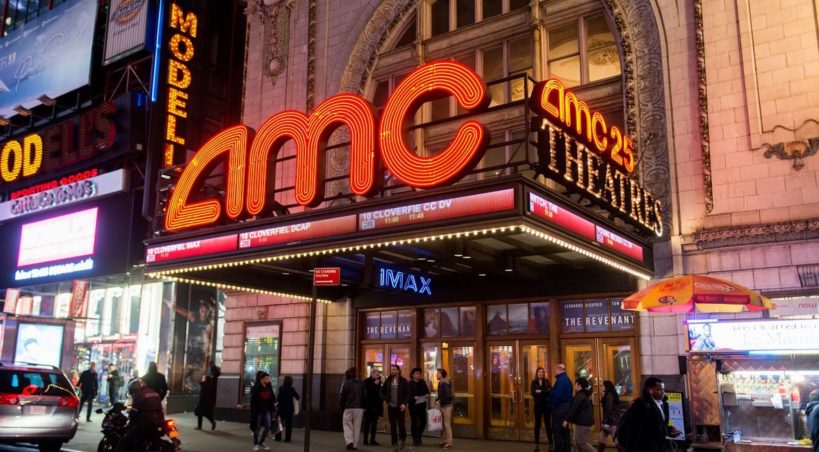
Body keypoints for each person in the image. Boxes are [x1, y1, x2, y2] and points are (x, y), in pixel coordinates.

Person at [617, 376, 679, 452]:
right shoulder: (642, 404)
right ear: (650, 390)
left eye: (663, 389)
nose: (663, 392)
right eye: (659, 389)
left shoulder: (662, 404)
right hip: (646, 448)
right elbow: (634, 430)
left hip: (659, 447)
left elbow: (656, 425)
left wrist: (669, 430)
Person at [113, 379, 165, 452]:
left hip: (145, 422)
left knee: (125, 439)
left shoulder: (139, 395)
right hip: (159, 421)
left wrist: (130, 418)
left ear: (134, 389)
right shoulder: (155, 393)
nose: (133, 394)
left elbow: (134, 411)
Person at [380, 364, 411, 450]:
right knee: (392, 425)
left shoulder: (403, 381)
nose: (392, 371)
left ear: (398, 371)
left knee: (401, 425)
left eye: (394, 369)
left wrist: (404, 404)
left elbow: (408, 394)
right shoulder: (388, 380)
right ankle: (394, 443)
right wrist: (385, 399)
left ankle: (403, 439)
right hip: (391, 406)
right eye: (392, 369)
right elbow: (381, 391)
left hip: (400, 407)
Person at [563, 377, 595, 452]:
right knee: (577, 442)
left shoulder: (580, 396)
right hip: (583, 422)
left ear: (579, 385)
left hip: (583, 423)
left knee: (581, 443)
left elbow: (573, 409)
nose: (574, 386)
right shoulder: (583, 395)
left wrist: (566, 420)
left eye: (575, 384)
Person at [340, 367, 367, 450]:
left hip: (348, 407)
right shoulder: (361, 383)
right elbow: (365, 396)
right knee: (357, 426)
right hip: (359, 407)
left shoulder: (345, 383)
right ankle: (355, 444)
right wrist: (364, 407)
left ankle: (349, 442)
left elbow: (342, 397)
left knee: (347, 424)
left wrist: (341, 407)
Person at [250, 371, 277, 451]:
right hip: (258, 411)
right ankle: (255, 444)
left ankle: (261, 442)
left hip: (267, 410)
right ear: (262, 379)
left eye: (268, 378)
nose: (268, 380)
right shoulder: (256, 388)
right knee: (257, 427)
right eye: (266, 379)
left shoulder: (268, 386)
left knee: (268, 426)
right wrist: (253, 411)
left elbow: (271, 396)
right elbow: (253, 401)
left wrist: (274, 403)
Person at [549, 364, 572, 452]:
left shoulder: (561, 380)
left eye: (556, 369)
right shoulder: (567, 380)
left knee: (557, 431)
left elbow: (557, 396)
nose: (555, 371)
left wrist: (552, 406)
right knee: (564, 432)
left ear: (559, 369)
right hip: (566, 408)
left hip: (559, 409)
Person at [531, 366, 552, 450]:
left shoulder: (547, 381)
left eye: (542, 372)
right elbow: (533, 393)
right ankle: (536, 442)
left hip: (546, 406)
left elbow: (550, 391)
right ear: (537, 373)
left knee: (548, 424)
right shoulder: (533, 382)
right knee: (537, 424)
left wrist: (540, 391)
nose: (541, 373)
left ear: (544, 374)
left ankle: (551, 442)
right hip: (537, 406)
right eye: (539, 372)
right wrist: (544, 392)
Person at [408, 367, 430, 446]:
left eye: (419, 373)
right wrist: (414, 397)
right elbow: (408, 395)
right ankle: (415, 439)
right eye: (416, 373)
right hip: (413, 406)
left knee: (423, 422)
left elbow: (427, 391)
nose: (418, 375)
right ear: (413, 375)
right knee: (414, 422)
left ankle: (419, 435)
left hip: (422, 405)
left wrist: (427, 394)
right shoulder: (410, 383)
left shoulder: (422, 382)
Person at [275, 375, 300, 442]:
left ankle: (278, 437)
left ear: (284, 381)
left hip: (281, 408)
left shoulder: (281, 388)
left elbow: (279, 398)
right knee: (289, 424)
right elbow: (298, 397)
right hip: (289, 409)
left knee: (279, 423)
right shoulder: (292, 389)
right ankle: (288, 439)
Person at [598, 381, 620, 452]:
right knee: (602, 440)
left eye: (603, 385)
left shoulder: (609, 395)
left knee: (617, 441)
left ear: (606, 387)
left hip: (611, 422)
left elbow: (609, 409)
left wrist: (605, 421)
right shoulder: (609, 394)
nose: (601, 387)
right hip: (610, 421)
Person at [362, 368, 383, 446]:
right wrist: (374, 384)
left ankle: (372, 440)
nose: (378, 375)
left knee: (374, 424)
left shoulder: (379, 382)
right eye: (377, 374)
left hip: (376, 405)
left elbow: (379, 393)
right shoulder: (366, 381)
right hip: (368, 406)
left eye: (378, 374)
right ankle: (365, 440)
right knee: (367, 423)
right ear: (372, 374)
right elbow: (366, 393)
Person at [436, 368, 454, 449]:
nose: (436, 375)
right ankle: (444, 441)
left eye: (438, 373)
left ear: (441, 374)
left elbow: (448, 395)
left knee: (446, 424)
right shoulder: (440, 383)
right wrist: (437, 400)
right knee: (443, 425)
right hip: (443, 405)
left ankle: (449, 442)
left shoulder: (444, 383)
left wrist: (439, 400)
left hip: (447, 406)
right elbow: (441, 395)